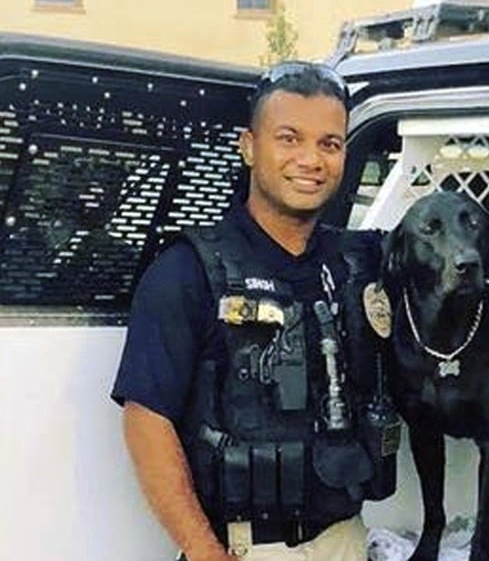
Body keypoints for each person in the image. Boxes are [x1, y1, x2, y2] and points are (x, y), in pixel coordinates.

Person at [111, 62, 399, 561]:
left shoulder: (355, 259)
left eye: (329, 143)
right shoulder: (188, 271)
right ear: (249, 146)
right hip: (245, 549)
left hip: (344, 540)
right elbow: (146, 419)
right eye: (289, 138)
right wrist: (204, 552)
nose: (311, 159)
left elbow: (458, 249)